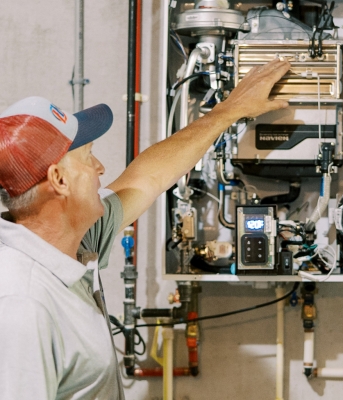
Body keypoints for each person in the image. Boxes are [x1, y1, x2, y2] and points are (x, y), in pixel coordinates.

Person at [0, 58, 290, 400]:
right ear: (59, 180)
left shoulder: (71, 240)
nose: (100, 168)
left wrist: (228, 111)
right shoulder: (22, 304)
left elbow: (147, 177)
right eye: (88, 156)